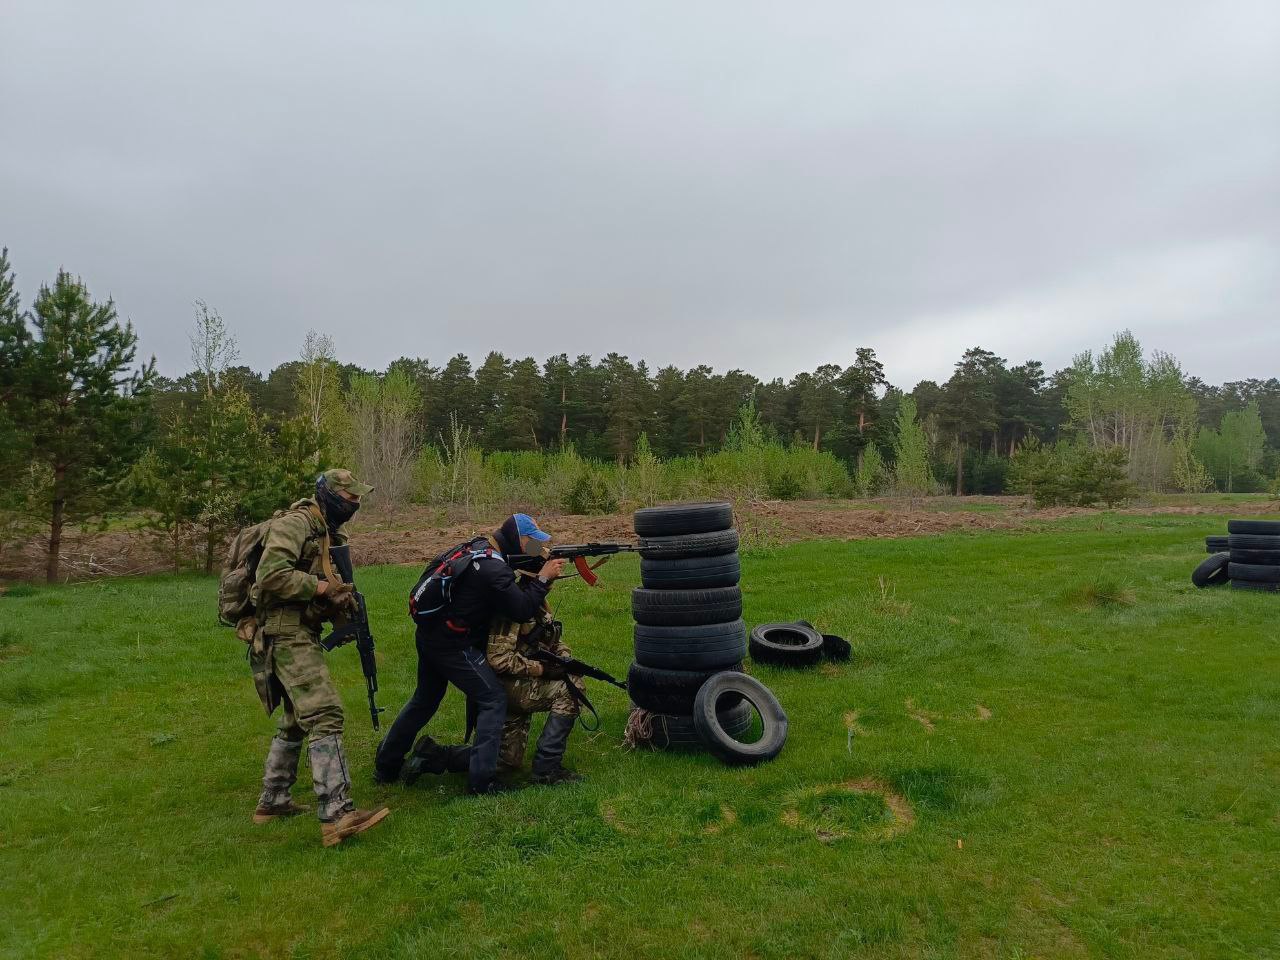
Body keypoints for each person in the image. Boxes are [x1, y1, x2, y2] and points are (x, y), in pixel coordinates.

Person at [373, 514, 565, 794]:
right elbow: (522, 608)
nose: (538, 546)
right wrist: (544, 579)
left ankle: (386, 765)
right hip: (451, 645)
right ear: (519, 539)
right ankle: (482, 782)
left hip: (429, 634)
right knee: (492, 698)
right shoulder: (494, 570)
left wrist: (547, 555)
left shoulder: (478, 547)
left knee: (424, 700)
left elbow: (521, 556)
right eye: (533, 541)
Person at [249, 468, 390, 847]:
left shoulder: (327, 530)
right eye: (350, 498)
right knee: (325, 713)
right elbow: (270, 576)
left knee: (298, 718)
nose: (355, 505)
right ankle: (337, 814)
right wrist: (321, 587)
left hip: (301, 629)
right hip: (284, 630)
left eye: (359, 498)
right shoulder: (296, 524)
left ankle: (273, 800)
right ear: (328, 495)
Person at [488, 615, 583, 785]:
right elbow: (499, 660)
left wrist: (564, 660)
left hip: (515, 684)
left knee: (506, 761)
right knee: (572, 688)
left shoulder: (534, 604)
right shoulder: (511, 608)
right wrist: (542, 669)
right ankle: (547, 768)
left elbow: (552, 640)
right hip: (504, 686)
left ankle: (437, 755)